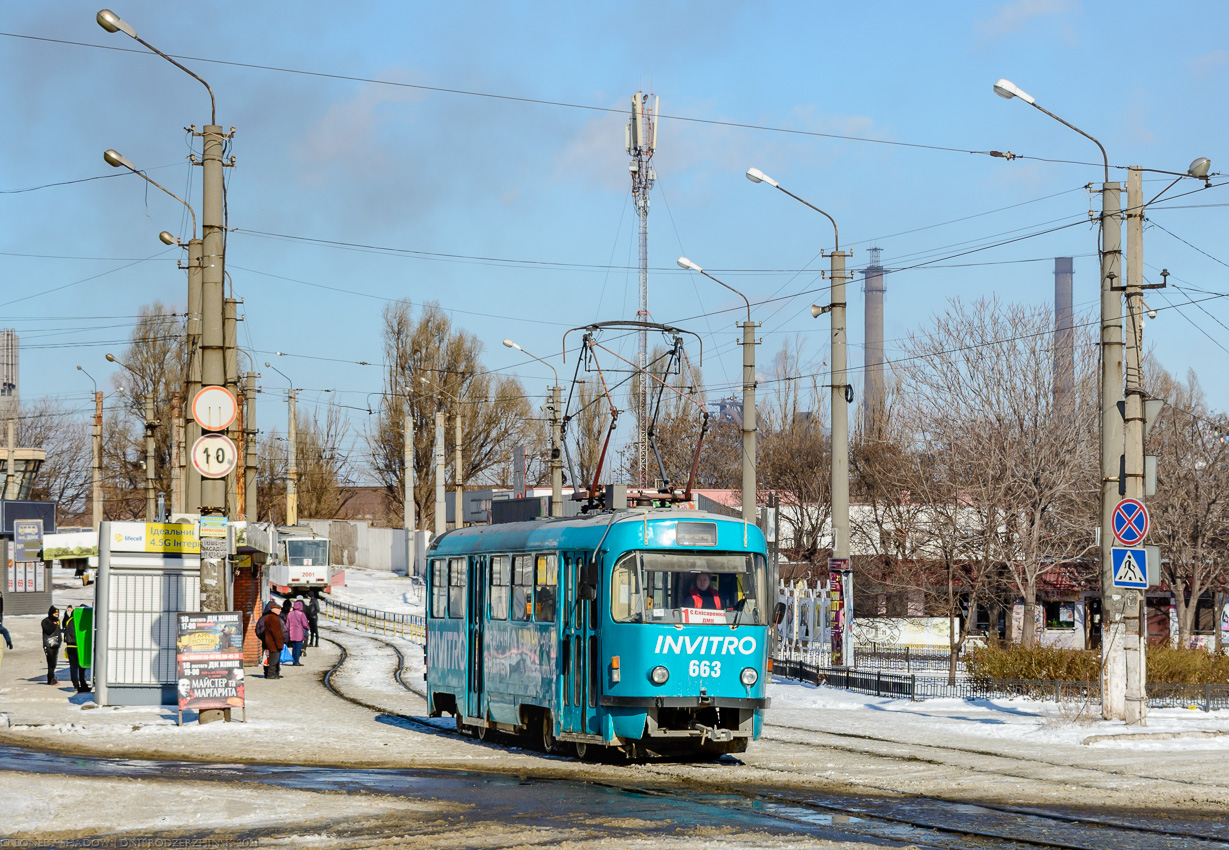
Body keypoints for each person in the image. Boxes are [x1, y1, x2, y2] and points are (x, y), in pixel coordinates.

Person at [62, 605, 88, 693]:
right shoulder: (81, 620)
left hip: (70, 646)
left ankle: (76, 685)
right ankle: (83, 685)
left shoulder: (69, 620)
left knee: (73, 667)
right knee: (82, 666)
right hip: (79, 646)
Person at [259, 601, 285, 680]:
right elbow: (276, 633)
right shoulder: (274, 618)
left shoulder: (268, 617)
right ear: (273, 609)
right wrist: (279, 644)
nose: (280, 610)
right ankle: (271, 674)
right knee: (274, 660)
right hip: (273, 643)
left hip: (269, 642)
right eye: (278, 609)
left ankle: (273, 674)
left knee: (272, 659)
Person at [41, 606, 62, 685]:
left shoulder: (57, 621)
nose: (56, 616)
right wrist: (54, 624)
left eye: (57, 614)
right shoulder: (45, 621)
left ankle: (52, 678)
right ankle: (50, 679)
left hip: (55, 645)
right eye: (55, 614)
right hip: (48, 645)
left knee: (54, 663)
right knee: (51, 663)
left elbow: (58, 632)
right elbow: (48, 630)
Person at [285, 600, 309, 666]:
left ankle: (293, 660)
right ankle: (297, 661)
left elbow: (287, 625)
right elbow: (305, 624)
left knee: (294, 647)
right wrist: (308, 628)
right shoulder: (301, 614)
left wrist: (288, 631)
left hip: (292, 633)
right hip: (299, 633)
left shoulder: (290, 614)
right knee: (298, 647)